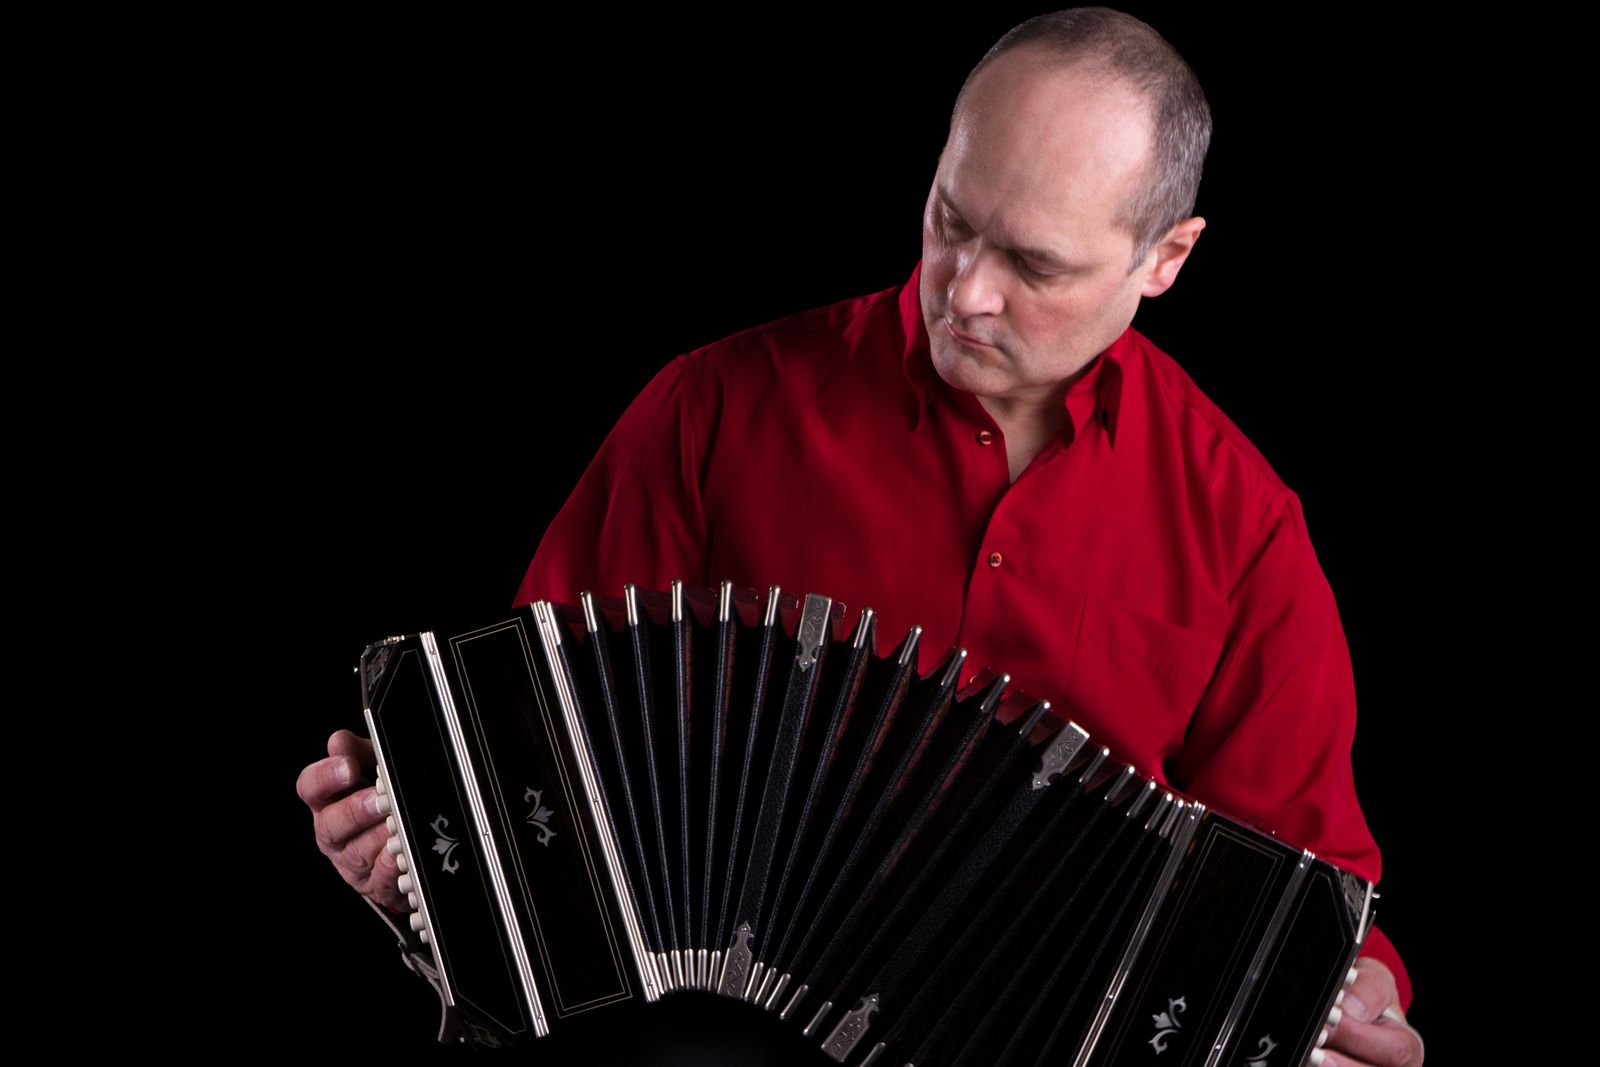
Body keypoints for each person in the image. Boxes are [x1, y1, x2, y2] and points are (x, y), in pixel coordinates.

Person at [298, 9, 1423, 1065]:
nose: (965, 293)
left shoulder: (1244, 528)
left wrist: (1352, 1004)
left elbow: (1307, 896)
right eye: (951, 220)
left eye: (1033, 265)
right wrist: (429, 870)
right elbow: (526, 765)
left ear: (1166, 257)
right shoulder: (712, 412)